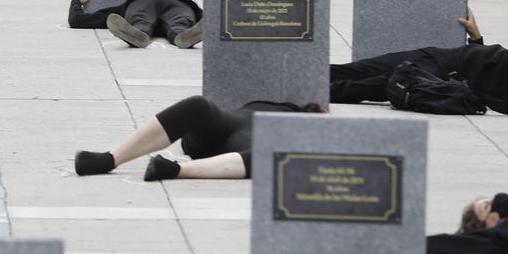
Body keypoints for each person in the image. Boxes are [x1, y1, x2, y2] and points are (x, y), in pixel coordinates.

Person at [73, 95, 324, 180]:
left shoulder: (313, 136)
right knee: (199, 105)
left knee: (271, 157)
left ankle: (173, 170)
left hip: (245, 145)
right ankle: (109, 159)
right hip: (229, 122)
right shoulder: (286, 106)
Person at [329, 8, 508, 114]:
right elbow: (495, 71)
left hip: (437, 79)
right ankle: (304, 77)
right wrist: (476, 39)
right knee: (348, 71)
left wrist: (466, 92)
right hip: (436, 56)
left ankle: (309, 94)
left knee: (348, 89)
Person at [68, 0, 204, 49]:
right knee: (181, 24)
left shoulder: (134, 1)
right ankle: (183, 35)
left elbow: (77, 20)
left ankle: (139, 32)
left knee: (140, 22)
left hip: (142, 3)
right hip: (180, 4)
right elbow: (217, 17)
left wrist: (77, 1)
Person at [427, 193, 508, 254]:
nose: (499, 199)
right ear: (488, 227)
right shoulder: (495, 240)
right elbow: (448, 245)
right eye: (486, 207)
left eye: (492, 200)